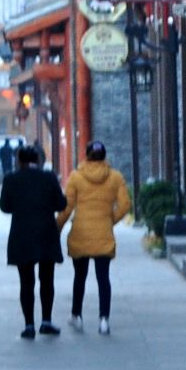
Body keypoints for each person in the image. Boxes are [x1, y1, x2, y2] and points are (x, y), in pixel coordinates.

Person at [59, 141, 133, 335]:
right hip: (103, 234)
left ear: (86, 155)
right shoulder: (115, 177)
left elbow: (67, 208)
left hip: (80, 233)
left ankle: (77, 316)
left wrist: (57, 227)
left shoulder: (75, 177)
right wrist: (110, 220)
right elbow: (125, 205)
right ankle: (104, 320)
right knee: (103, 278)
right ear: (104, 156)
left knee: (79, 278)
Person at [0, 140, 66, 339]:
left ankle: (29, 325)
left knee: (26, 282)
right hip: (46, 233)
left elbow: (5, 206)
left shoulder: (11, 179)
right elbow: (61, 204)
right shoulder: (48, 177)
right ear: (38, 159)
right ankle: (46, 321)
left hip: (22, 235)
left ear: (18, 160)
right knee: (47, 280)